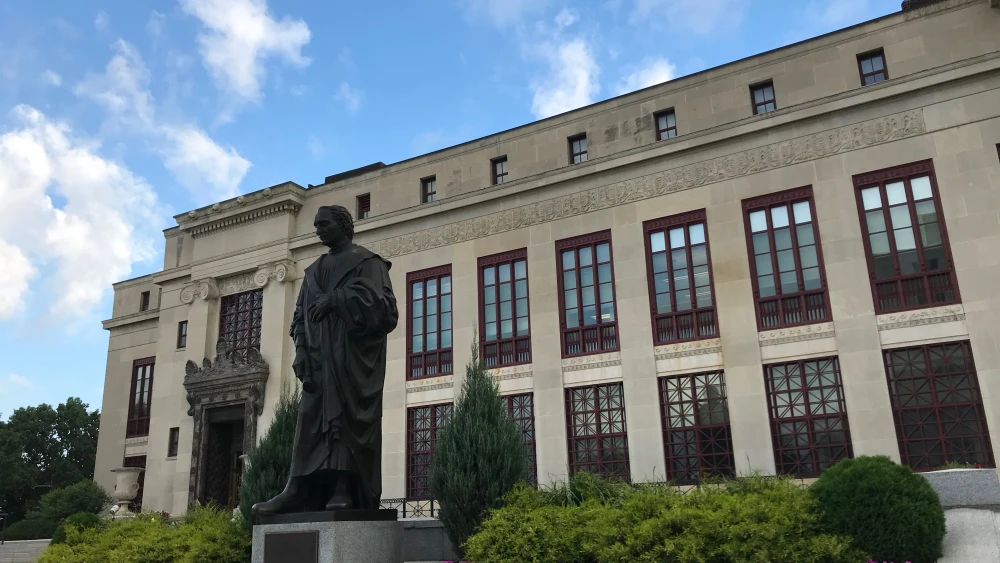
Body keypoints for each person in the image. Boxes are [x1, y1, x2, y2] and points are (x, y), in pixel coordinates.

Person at [252, 205, 398, 514]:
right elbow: (299, 319)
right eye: (316, 225)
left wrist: (337, 299)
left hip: (351, 364)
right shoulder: (314, 271)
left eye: (324, 223)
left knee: (343, 423)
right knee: (309, 424)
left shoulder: (367, 262)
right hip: (318, 364)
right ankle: (295, 488)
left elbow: (386, 310)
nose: (318, 229)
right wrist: (303, 351)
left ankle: (343, 487)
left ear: (343, 225)